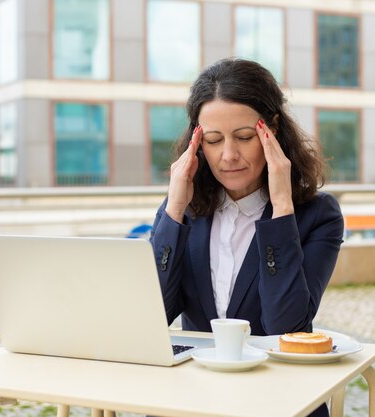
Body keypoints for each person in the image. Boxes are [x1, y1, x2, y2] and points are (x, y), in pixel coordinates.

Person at [149, 58, 344, 417]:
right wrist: (175, 209)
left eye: (244, 137)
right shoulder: (182, 209)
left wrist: (282, 207)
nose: (228, 156)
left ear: (271, 131)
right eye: (212, 140)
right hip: (194, 398)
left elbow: (287, 327)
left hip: (281, 399)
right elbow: (152, 316)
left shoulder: (318, 216)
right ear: (196, 142)